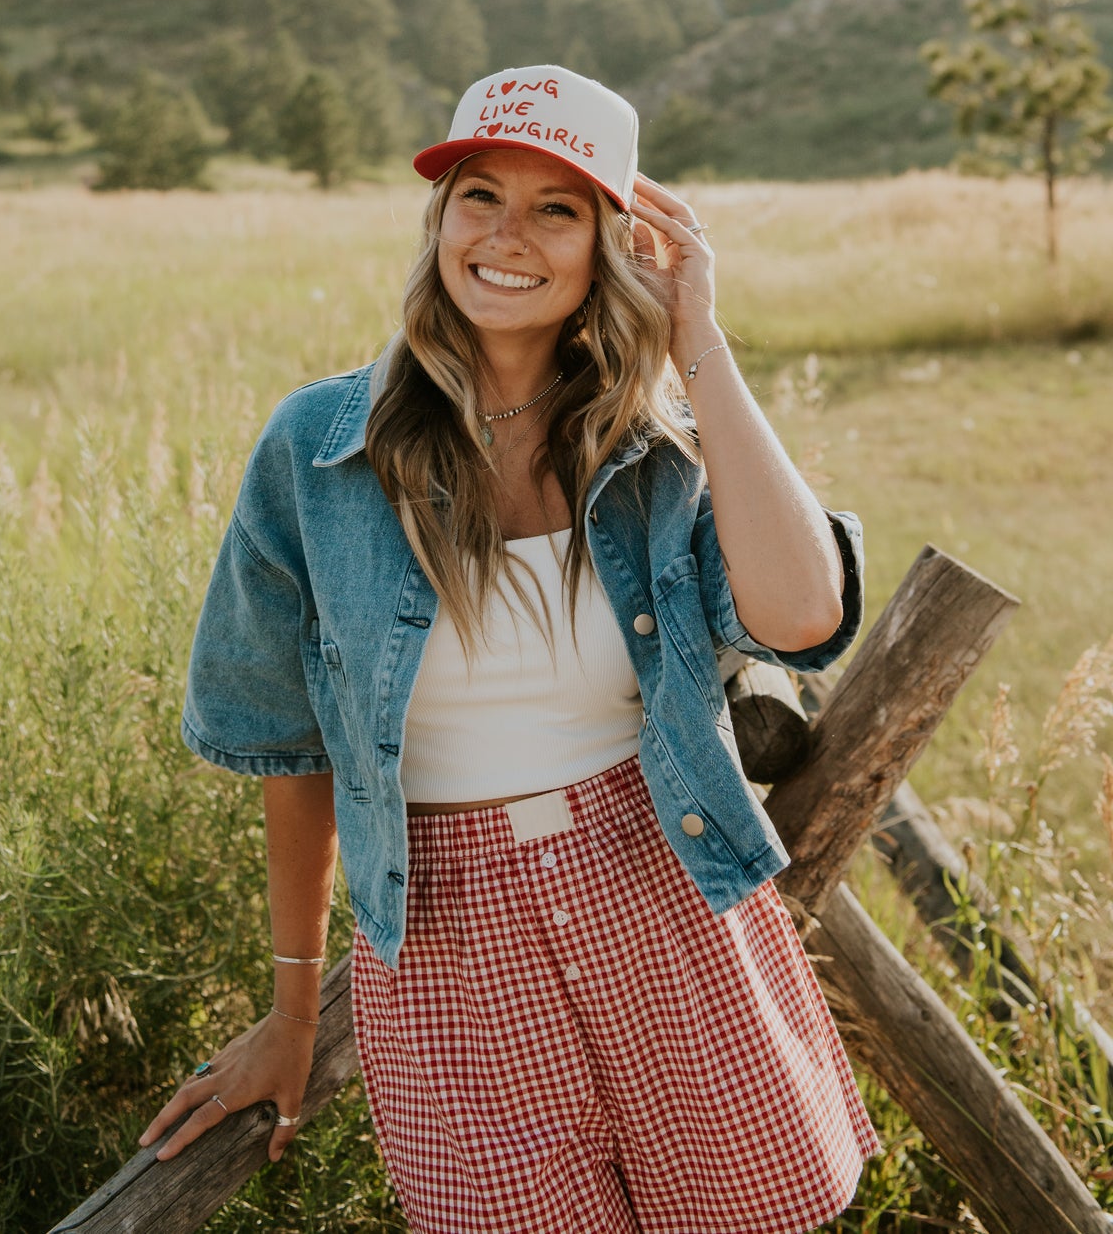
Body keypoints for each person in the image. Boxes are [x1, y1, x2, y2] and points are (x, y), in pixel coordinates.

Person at [140, 65, 878, 1233]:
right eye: (479, 194)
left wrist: (701, 339)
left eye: (556, 208)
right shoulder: (317, 453)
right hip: (444, 951)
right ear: (439, 219)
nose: (506, 235)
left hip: (666, 905)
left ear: (612, 244)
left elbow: (797, 612)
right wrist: (289, 1013)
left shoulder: (655, 453)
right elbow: (291, 750)